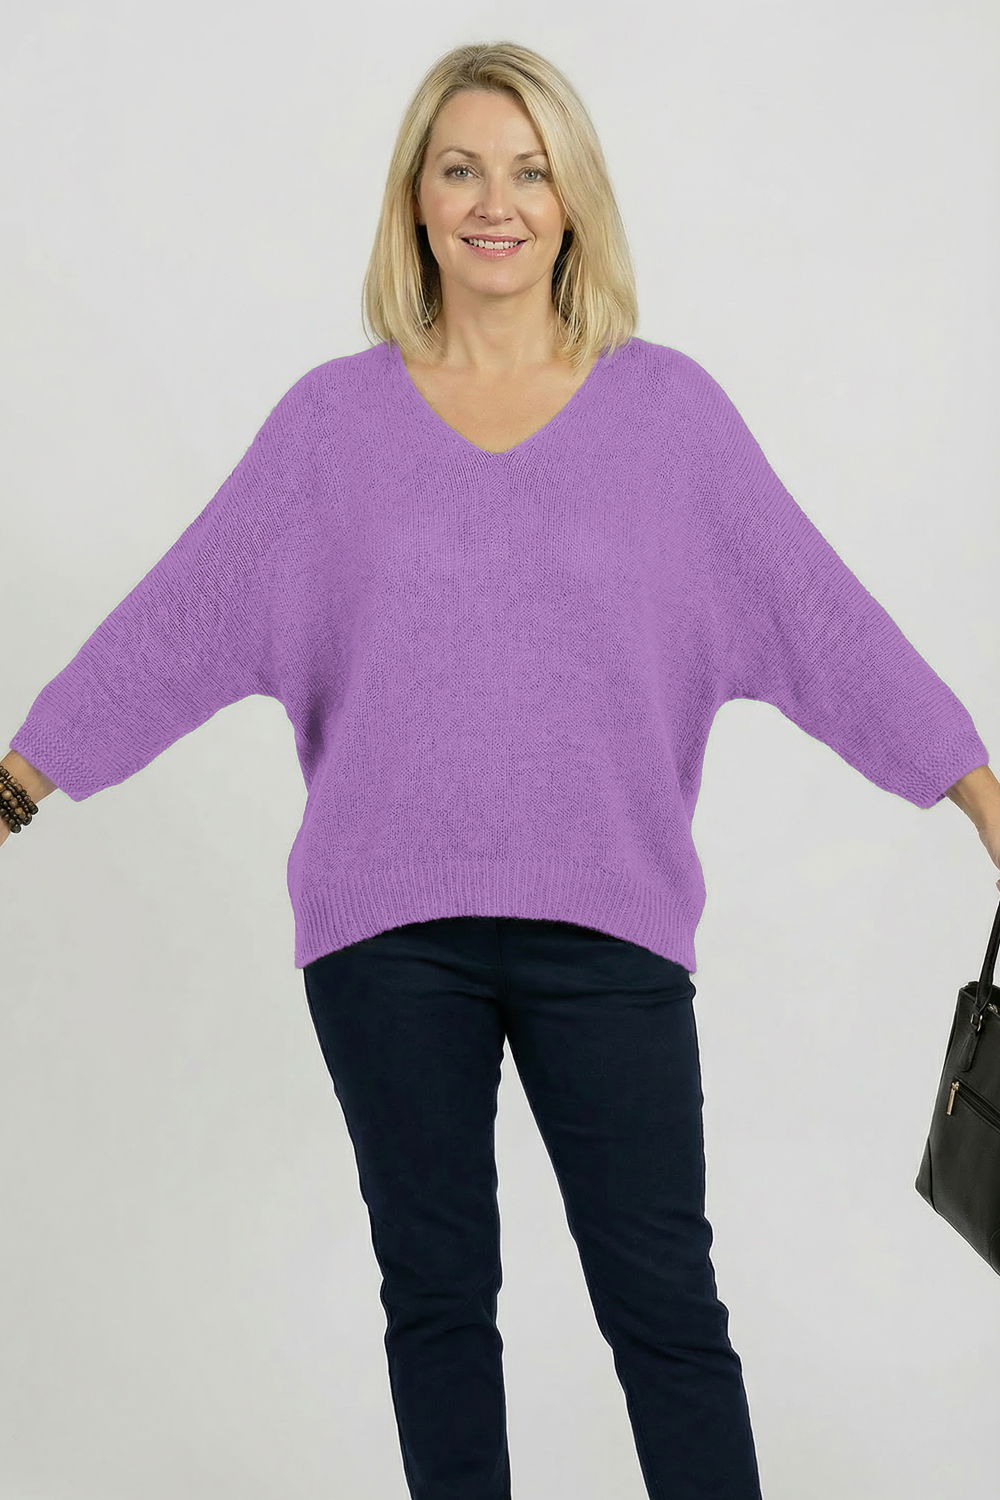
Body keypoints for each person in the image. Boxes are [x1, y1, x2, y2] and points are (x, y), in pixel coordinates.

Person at [5, 38, 999, 1500]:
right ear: (415, 198)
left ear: (573, 198)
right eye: (462, 169)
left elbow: (818, 617)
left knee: (666, 1309)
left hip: (610, 924)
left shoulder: (669, 418)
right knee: (437, 1308)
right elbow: (183, 617)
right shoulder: (329, 428)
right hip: (384, 937)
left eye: (530, 172)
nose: (496, 202)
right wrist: (19, 781)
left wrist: (977, 790)